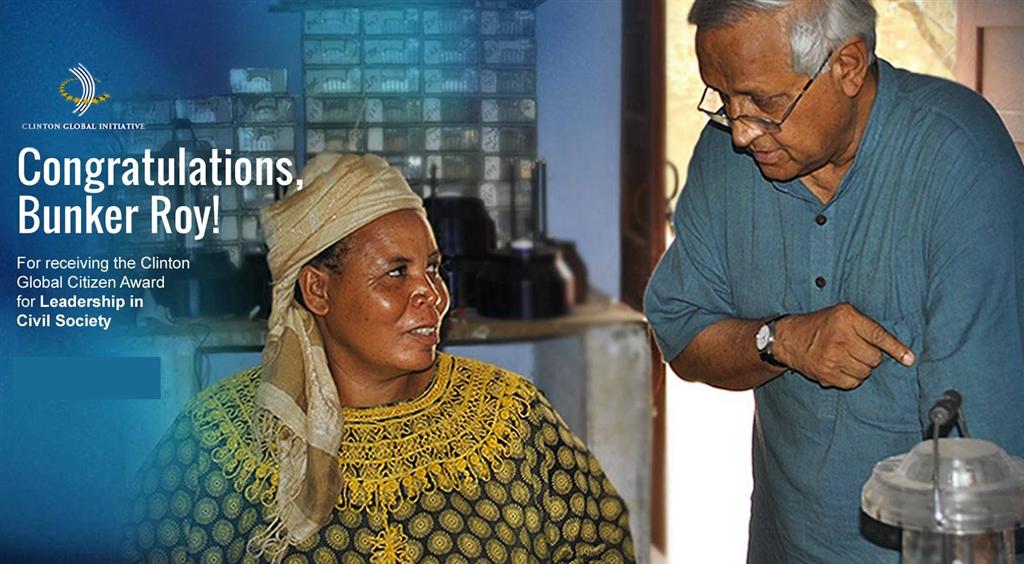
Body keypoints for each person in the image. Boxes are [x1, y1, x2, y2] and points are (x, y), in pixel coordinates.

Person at [645, 0, 1024, 561]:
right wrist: (780, 340)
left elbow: (980, 463)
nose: (741, 132)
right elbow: (680, 335)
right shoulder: (724, 158)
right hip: (783, 544)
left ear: (847, 65)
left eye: (764, 103)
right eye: (723, 98)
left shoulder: (958, 158)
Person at [121, 154, 634, 563]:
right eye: (396, 273)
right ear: (318, 290)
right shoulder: (217, 441)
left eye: (433, 268)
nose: (433, 295)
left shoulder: (510, 418)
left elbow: (601, 545)